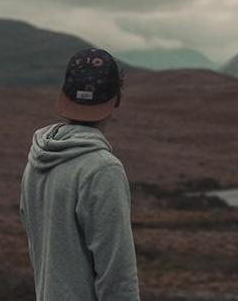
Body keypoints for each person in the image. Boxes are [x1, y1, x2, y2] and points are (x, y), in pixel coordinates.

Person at [19, 47, 141, 301]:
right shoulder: (103, 169)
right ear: (116, 100)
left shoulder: (36, 160)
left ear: (65, 96)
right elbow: (117, 274)